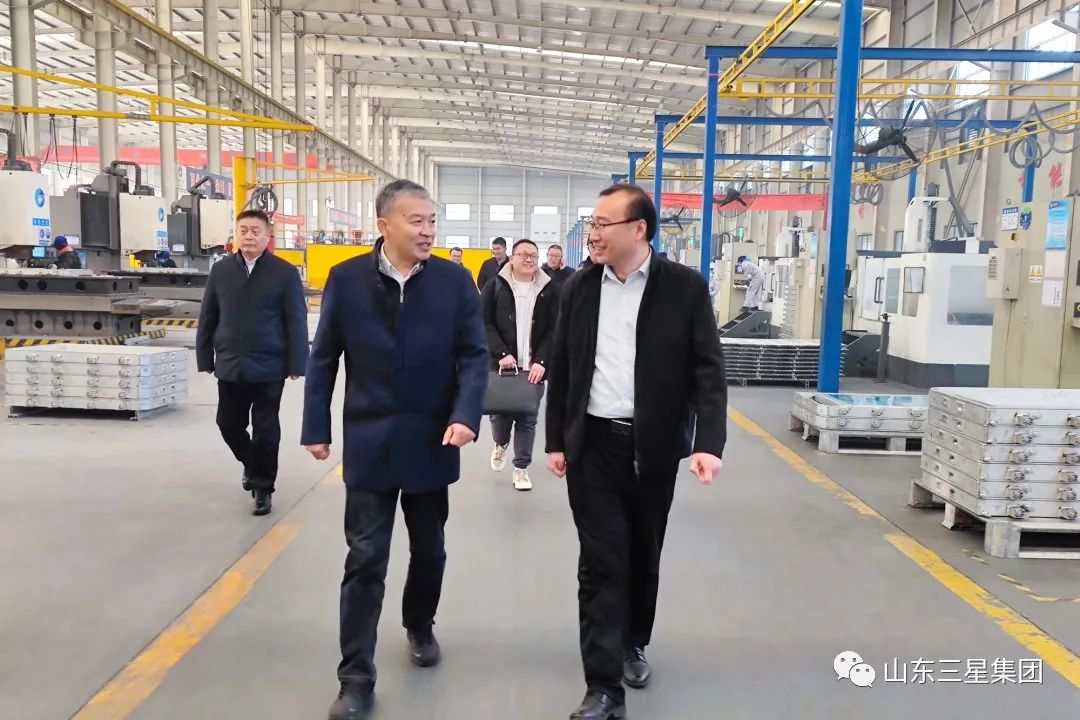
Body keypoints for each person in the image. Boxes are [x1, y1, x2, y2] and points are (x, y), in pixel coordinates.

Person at [301, 180, 488, 720]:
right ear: (384, 225)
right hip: (370, 440)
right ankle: (355, 678)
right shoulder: (347, 279)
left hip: (434, 437)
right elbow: (324, 358)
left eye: (432, 220)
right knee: (365, 558)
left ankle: (419, 623)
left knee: (429, 549)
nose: (428, 230)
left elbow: (475, 355)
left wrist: (465, 415)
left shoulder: (454, 281)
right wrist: (317, 426)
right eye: (416, 221)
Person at [545, 183, 727, 720]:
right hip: (594, 446)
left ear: (639, 229)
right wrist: (556, 440)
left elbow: (708, 370)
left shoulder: (684, 288)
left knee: (644, 554)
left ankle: (633, 642)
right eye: (592, 224)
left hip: (654, 447)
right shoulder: (579, 287)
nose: (593, 234)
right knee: (602, 561)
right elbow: (564, 366)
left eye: (603, 224)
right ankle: (603, 688)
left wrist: (708, 443)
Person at [196, 209, 308, 516]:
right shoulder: (221, 271)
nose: (249, 236)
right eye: (243, 230)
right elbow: (208, 315)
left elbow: (295, 320)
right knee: (228, 424)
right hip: (230, 363)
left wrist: (297, 362)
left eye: (255, 231)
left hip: (270, 365)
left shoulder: (284, 273)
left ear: (267, 235)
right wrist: (205, 356)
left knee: (266, 429)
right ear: (236, 234)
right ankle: (251, 463)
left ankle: (263, 487)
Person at [482, 238, 558, 491]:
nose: (529, 259)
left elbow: (554, 328)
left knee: (528, 418)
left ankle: (521, 468)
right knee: (500, 416)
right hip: (501, 365)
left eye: (533, 256)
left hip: (534, 368)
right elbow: (483, 322)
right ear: (512, 258)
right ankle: (501, 443)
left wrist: (542, 361)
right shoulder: (495, 286)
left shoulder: (549, 289)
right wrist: (501, 353)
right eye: (523, 254)